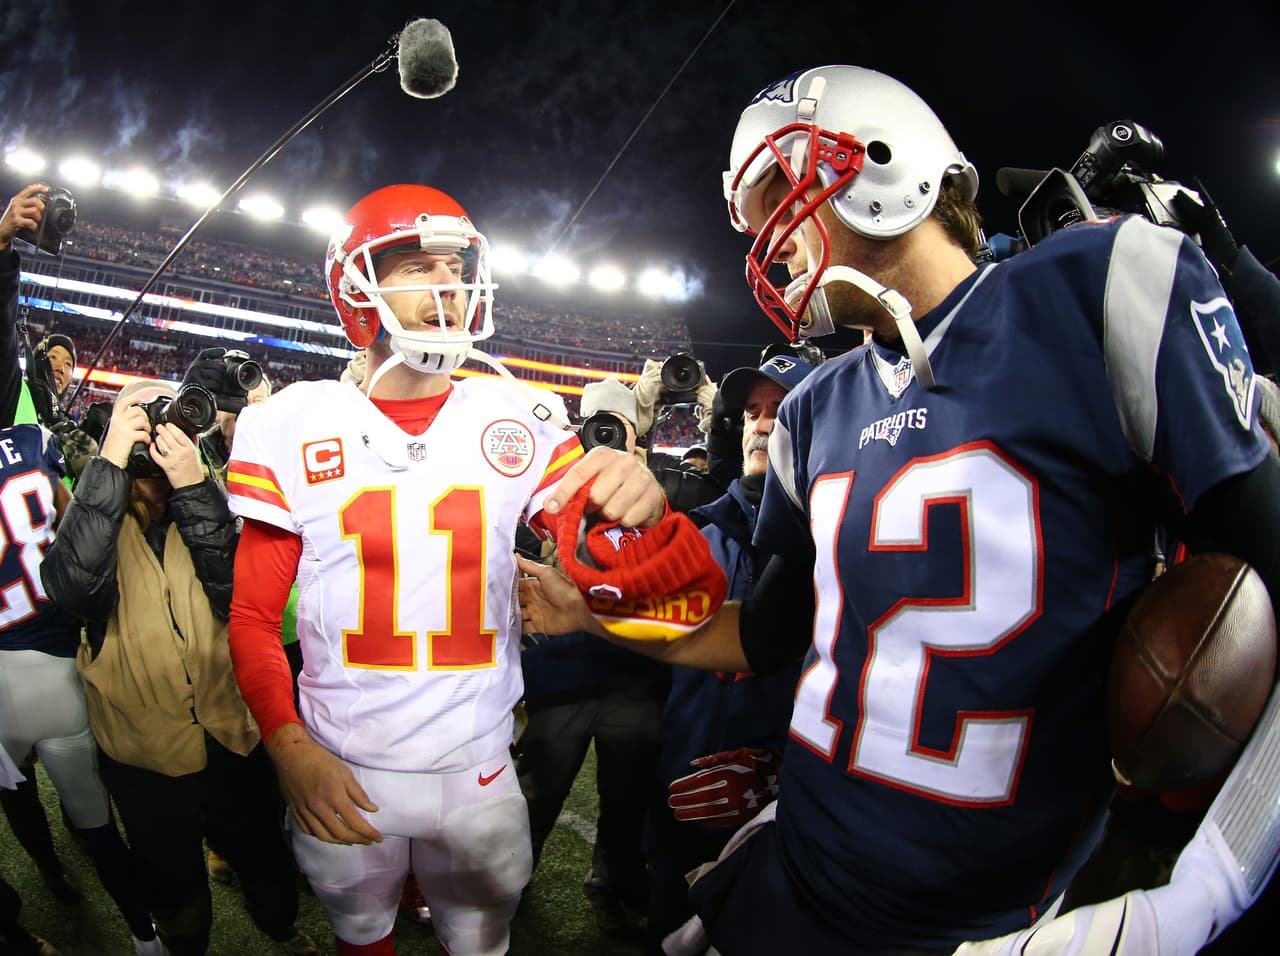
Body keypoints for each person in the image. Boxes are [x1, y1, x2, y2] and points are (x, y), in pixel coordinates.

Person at [518, 64, 1280, 955]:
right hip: (800, 868)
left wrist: (1210, 884)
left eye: (779, 200)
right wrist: (595, 619)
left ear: (878, 160)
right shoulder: (812, 408)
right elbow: (763, 638)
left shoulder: (1101, 288)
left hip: (997, 922)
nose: (767, 244)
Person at [223, 184, 665, 956]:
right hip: (343, 762)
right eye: (417, 268)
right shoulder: (291, 423)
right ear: (357, 292)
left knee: (483, 939)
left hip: (481, 770)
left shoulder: (516, 417)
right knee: (361, 935)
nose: (448, 287)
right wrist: (289, 746)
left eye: (454, 268)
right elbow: (256, 618)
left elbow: (607, 553)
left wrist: (635, 502)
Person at [40, 377, 315, 956]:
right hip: (142, 746)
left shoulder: (213, 493)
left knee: (265, 857)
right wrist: (111, 462)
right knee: (174, 885)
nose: (155, 423)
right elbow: (71, 588)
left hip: (230, 729)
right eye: (138, 415)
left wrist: (193, 484)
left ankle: (281, 927)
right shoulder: (92, 500)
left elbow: (237, 596)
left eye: (166, 411)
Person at [644, 352, 817, 947]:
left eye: (781, 411)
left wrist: (785, 776)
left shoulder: (839, 539)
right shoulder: (696, 532)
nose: (761, 424)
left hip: (789, 806)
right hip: (683, 789)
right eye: (752, 411)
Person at [0, 417, 164, 954]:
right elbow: (78, 535)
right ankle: (144, 935)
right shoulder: (31, 440)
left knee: (16, 788)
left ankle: (49, 872)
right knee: (96, 823)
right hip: (56, 663)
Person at [517, 376, 671, 938]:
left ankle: (614, 886)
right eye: (596, 427)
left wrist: (644, 480)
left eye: (619, 428)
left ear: (639, 435)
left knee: (628, 796)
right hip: (565, 669)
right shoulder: (555, 485)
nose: (606, 438)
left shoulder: (661, 486)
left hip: (637, 676)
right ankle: (512, 880)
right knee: (538, 788)